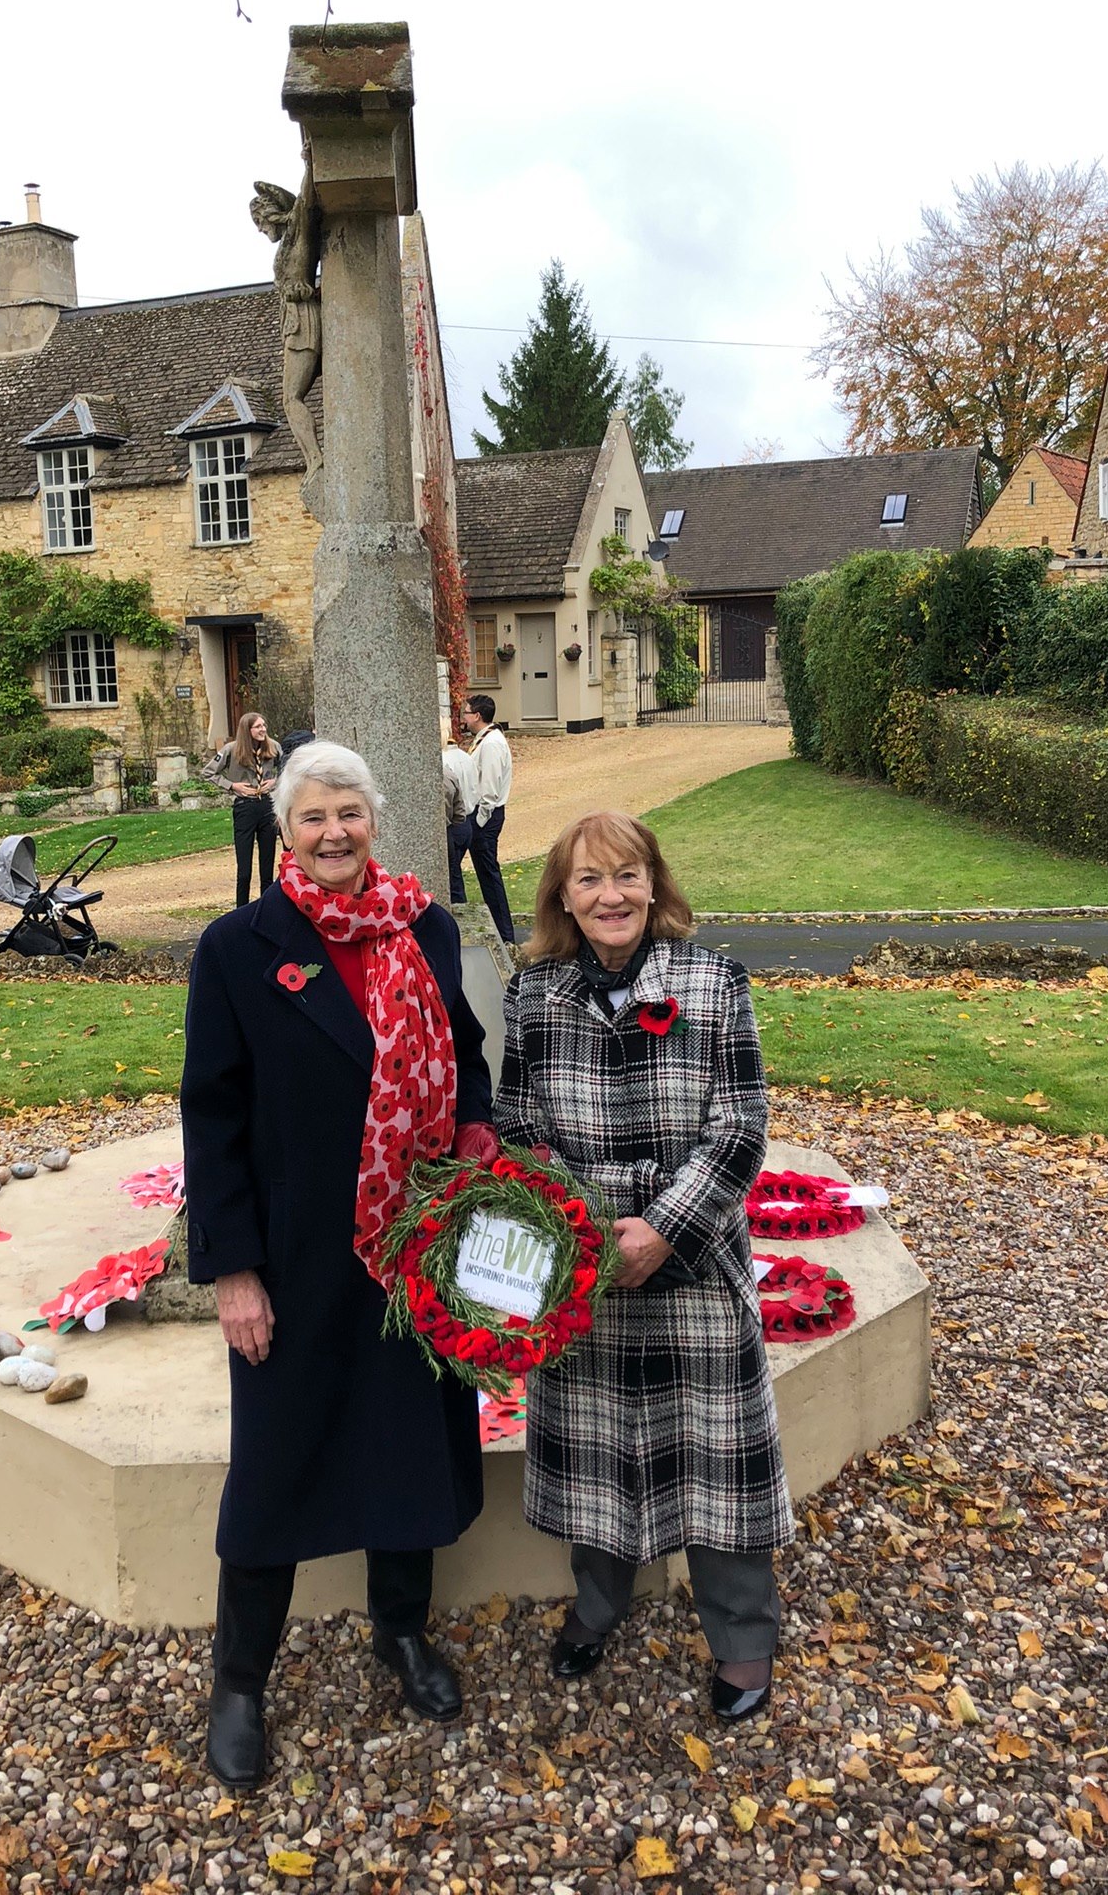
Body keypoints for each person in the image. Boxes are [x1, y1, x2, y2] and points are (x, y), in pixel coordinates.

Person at [181, 739, 498, 1791]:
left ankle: (399, 1631)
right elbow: (213, 1115)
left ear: (374, 822)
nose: (332, 833)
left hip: (415, 1244)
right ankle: (239, 1679)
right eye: (313, 816)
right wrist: (233, 1270)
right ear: (285, 826)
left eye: (349, 815)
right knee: (278, 1460)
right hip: (299, 1253)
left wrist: (477, 1138)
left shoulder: (428, 926)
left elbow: (466, 1052)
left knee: (406, 1444)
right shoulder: (239, 946)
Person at [495, 810, 791, 1722]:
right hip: (583, 1272)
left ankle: (743, 1638)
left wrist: (663, 1227)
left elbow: (740, 1124)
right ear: (563, 898)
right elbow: (516, 1124)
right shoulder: (533, 993)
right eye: (589, 881)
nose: (611, 895)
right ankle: (598, 1603)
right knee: (597, 1457)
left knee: (717, 1462)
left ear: (654, 884)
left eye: (627, 875)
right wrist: (579, 1231)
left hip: (692, 1266)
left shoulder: (713, 981)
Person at [207, 713, 282, 908]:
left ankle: (266, 910)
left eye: (264, 725)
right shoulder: (231, 750)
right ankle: (241, 911)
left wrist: (275, 782)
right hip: (244, 808)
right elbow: (208, 772)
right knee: (245, 871)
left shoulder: (273, 747)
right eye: (258, 727)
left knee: (267, 868)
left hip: (266, 806)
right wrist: (232, 786)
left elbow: (287, 771)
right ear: (247, 730)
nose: (263, 730)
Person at [460, 693, 515, 942]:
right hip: (481, 815)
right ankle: (501, 930)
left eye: (467, 713)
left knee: (489, 873)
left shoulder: (492, 743)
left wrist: (479, 822)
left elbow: (489, 789)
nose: (464, 718)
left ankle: (505, 934)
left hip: (486, 816)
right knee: (484, 872)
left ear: (478, 716)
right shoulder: (485, 740)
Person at [441, 723, 478, 907]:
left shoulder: (444, 768)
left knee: (453, 879)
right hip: (465, 824)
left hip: (451, 829)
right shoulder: (467, 758)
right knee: (455, 877)